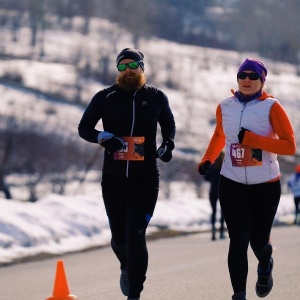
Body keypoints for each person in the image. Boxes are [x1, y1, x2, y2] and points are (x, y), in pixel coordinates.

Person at [78, 48, 176, 300]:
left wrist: (168, 145)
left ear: (142, 68)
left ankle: (135, 293)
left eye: (133, 66)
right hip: (114, 179)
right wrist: (103, 138)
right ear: (117, 71)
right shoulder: (105, 97)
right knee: (120, 238)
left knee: (136, 235)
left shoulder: (156, 97)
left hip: (145, 179)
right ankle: (125, 266)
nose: (127, 71)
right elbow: (84, 128)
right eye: (122, 67)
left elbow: (168, 125)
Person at [197, 58, 296, 300]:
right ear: (237, 79)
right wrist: (208, 160)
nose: (247, 80)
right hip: (231, 183)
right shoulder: (225, 106)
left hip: (265, 185)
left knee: (258, 242)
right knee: (238, 239)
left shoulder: (272, 107)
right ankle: (239, 295)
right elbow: (220, 135)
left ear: (262, 80)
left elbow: (289, 146)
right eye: (243, 76)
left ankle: (265, 263)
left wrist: (253, 140)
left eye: (253, 76)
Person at [204, 150, 226, 240]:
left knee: (213, 212)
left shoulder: (212, 167)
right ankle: (221, 232)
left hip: (212, 190)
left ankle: (213, 231)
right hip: (222, 191)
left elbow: (206, 178)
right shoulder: (224, 168)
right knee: (223, 212)